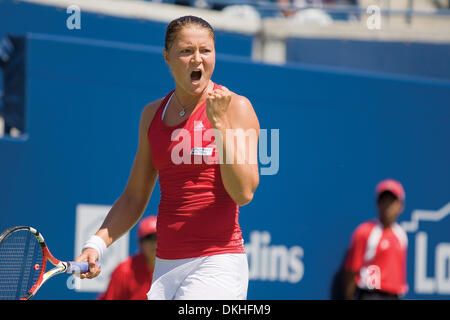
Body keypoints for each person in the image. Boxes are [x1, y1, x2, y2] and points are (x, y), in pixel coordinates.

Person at [75, 15, 260, 300]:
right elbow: (134, 197)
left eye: (205, 51)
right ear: (167, 57)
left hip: (218, 263)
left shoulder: (237, 107)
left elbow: (244, 192)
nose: (197, 59)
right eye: (186, 51)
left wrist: (219, 126)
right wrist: (95, 245)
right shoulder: (152, 115)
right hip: (166, 266)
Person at [343, 179, 408, 300]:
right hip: (371, 294)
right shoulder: (365, 232)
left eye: (392, 201)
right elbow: (352, 271)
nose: (387, 206)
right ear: (378, 203)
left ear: (400, 206)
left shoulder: (401, 235)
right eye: (384, 201)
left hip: (394, 296)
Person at [97, 216, 157, 300]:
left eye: (159, 237)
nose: (155, 243)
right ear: (140, 243)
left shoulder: (172, 269)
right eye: (149, 238)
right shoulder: (125, 271)